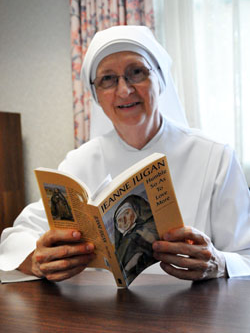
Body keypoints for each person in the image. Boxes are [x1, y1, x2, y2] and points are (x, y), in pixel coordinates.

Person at [0, 25, 249, 283]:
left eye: (136, 72)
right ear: (96, 94)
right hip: (105, 313)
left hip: (197, 313)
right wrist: (39, 260)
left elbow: (246, 255)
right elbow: (16, 238)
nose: (124, 90)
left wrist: (219, 263)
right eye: (108, 79)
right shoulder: (79, 162)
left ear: (160, 80)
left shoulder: (215, 156)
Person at [114, 195, 159, 284]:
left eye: (127, 213)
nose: (124, 220)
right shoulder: (123, 244)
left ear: (135, 211)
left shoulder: (150, 226)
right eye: (119, 220)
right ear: (118, 228)